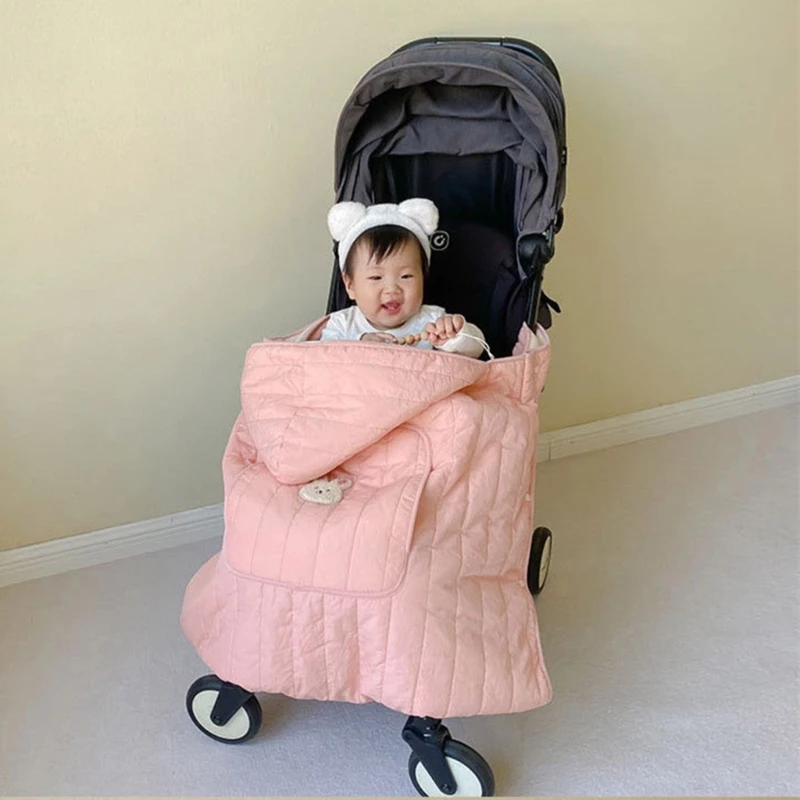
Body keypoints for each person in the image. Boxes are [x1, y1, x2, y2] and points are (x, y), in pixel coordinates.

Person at [321, 199, 488, 358]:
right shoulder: (342, 324)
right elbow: (321, 358)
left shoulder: (433, 320)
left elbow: (477, 348)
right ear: (350, 285)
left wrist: (455, 335)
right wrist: (358, 345)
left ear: (423, 277)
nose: (392, 289)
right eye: (376, 277)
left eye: (405, 276)